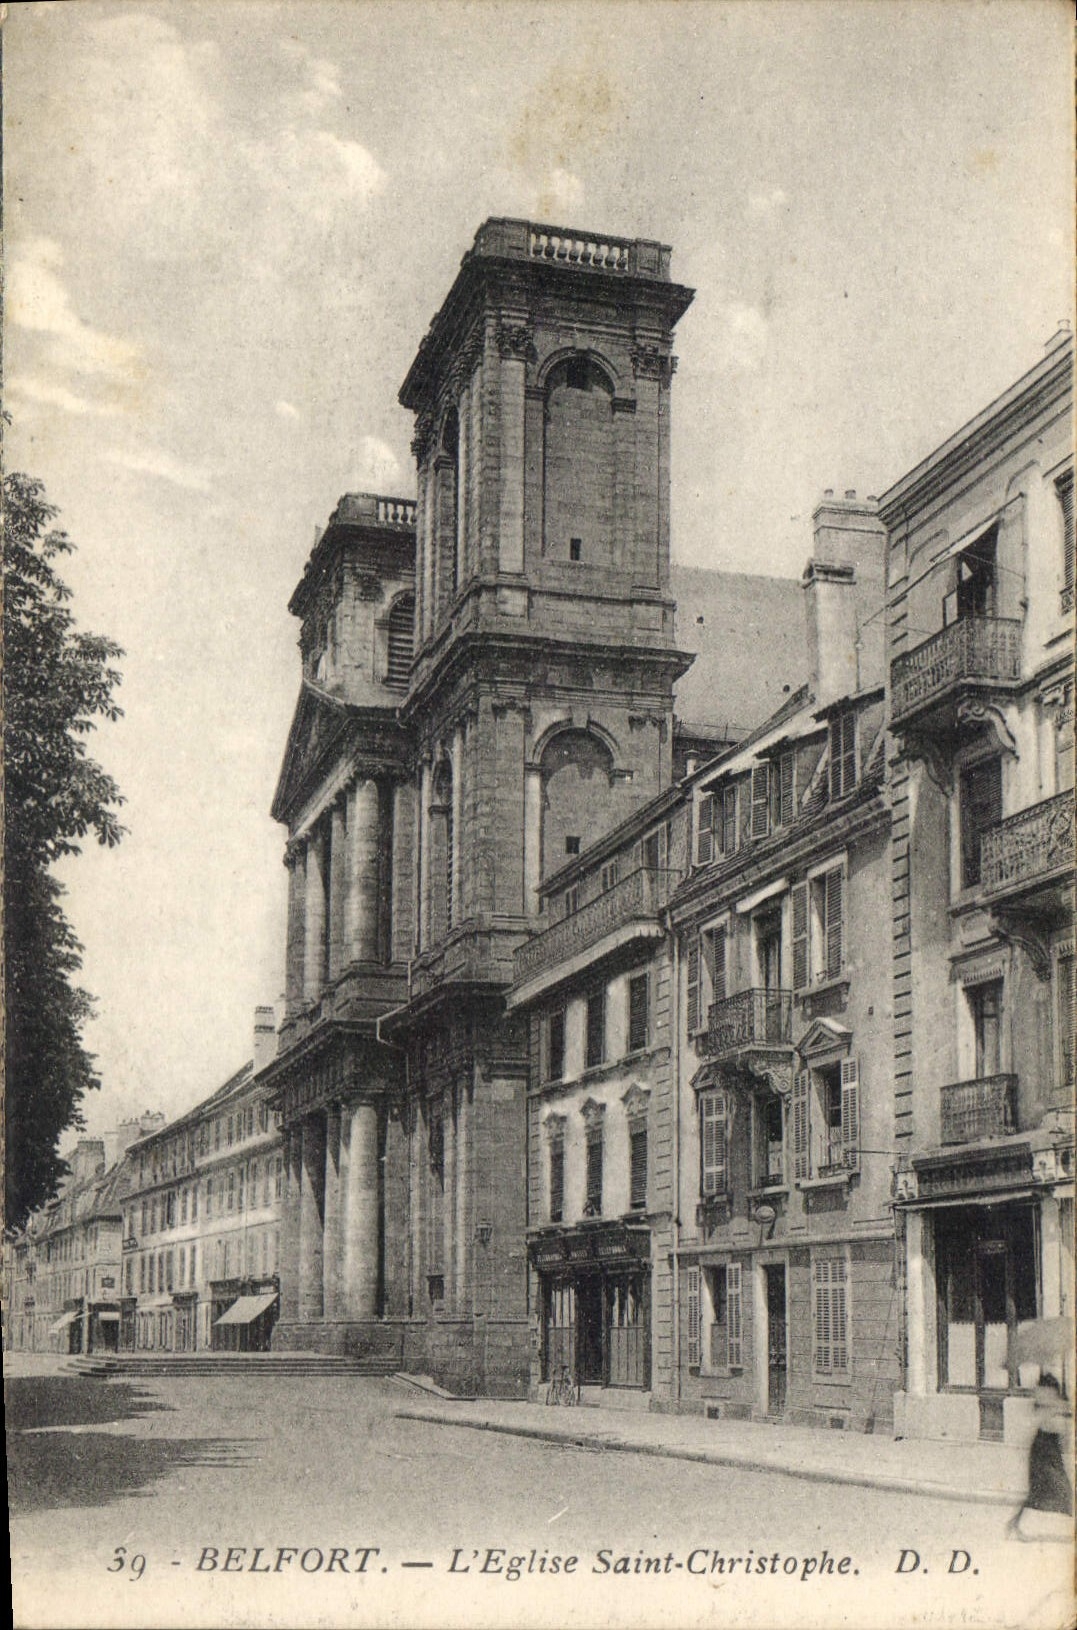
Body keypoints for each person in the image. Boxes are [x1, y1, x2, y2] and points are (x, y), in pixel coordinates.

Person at [1006, 1374, 1073, 1541]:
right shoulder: (1046, 1407)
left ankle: (1014, 1524)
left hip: (1051, 1454)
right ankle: (1015, 1524)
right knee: (1056, 1490)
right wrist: (1059, 1411)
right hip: (1043, 1455)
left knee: (1039, 1493)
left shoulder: (1053, 1405)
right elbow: (1049, 1427)